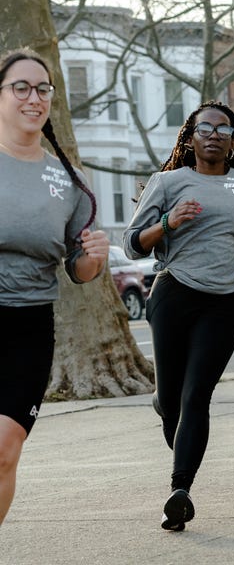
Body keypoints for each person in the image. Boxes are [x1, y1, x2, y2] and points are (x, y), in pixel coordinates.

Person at [123, 100, 234, 531]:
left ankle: (180, 491)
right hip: (173, 295)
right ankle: (163, 402)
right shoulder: (167, 182)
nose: (214, 134)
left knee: (197, 395)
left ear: (233, 143)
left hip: (224, 301)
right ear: (190, 138)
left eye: (224, 129)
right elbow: (132, 244)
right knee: (173, 399)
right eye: (205, 128)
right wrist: (169, 223)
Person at [0, 48, 109, 525]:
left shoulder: (69, 181)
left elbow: (79, 270)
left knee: (5, 449)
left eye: (42, 89)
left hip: (28, 325)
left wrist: (94, 258)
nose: (33, 97)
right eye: (20, 87)